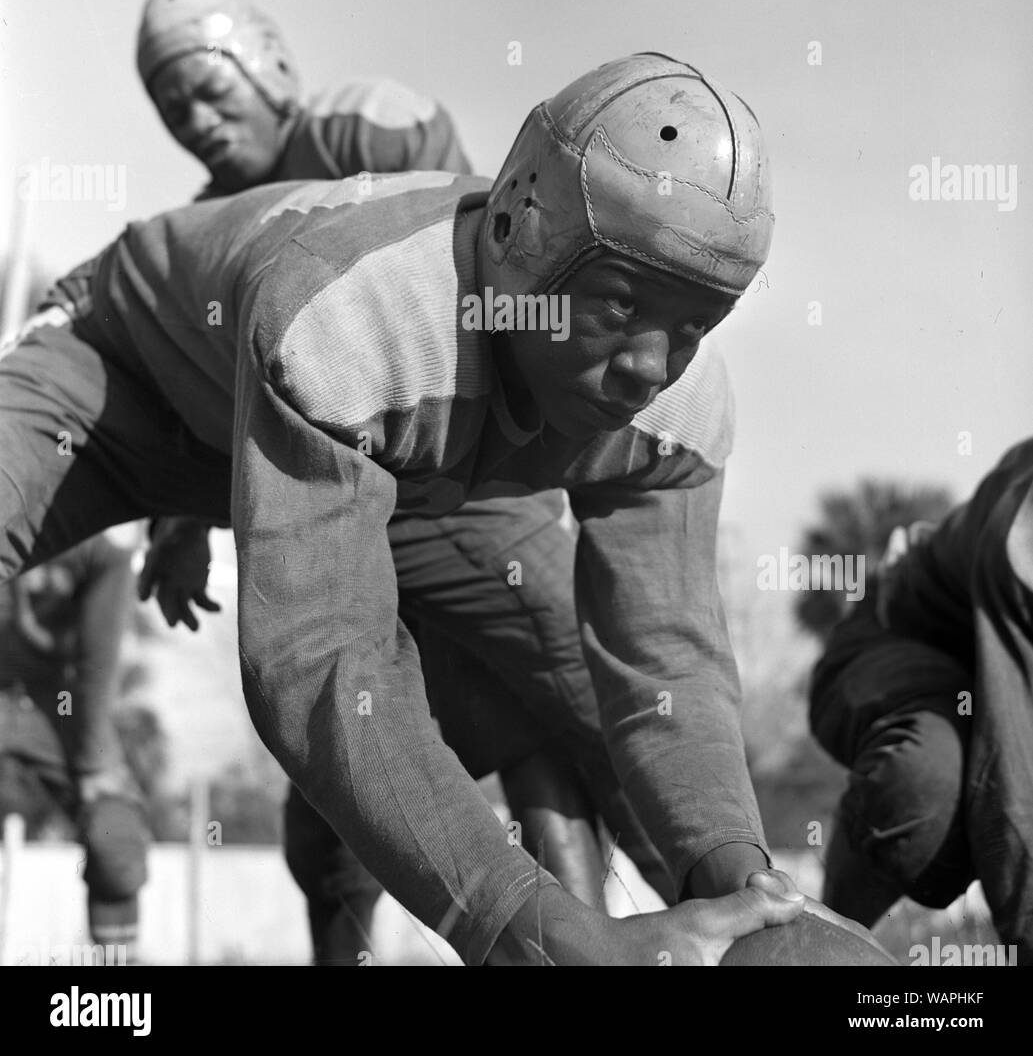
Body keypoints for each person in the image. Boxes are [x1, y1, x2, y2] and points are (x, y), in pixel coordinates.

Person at [0, 51, 804, 965]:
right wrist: (532, 935)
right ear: (513, 232)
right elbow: (323, 667)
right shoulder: (359, 318)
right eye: (619, 304)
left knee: (552, 689)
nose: (648, 369)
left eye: (694, 327)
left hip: (364, 461)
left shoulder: (674, 412)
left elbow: (665, 657)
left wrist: (746, 889)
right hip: (124, 384)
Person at [130, 0, 610, 959]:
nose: (195, 120)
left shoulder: (368, 127)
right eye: (172, 106)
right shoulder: (209, 229)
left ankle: (707, 923)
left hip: (454, 488)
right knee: (337, 772)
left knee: (575, 692)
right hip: (332, 520)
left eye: (208, 89)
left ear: (266, 68)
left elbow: (474, 285)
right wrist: (176, 523)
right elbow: (209, 400)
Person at [810, 439, 1033, 964]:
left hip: (995, 678)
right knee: (926, 788)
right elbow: (1016, 783)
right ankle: (823, 949)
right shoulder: (1023, 538)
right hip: (897, 648)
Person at [0, 534, 147, 959]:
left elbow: (98, 661)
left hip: (57, 704)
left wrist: (94, 757)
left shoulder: (102, 534)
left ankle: (114, 996)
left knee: (114, 834)